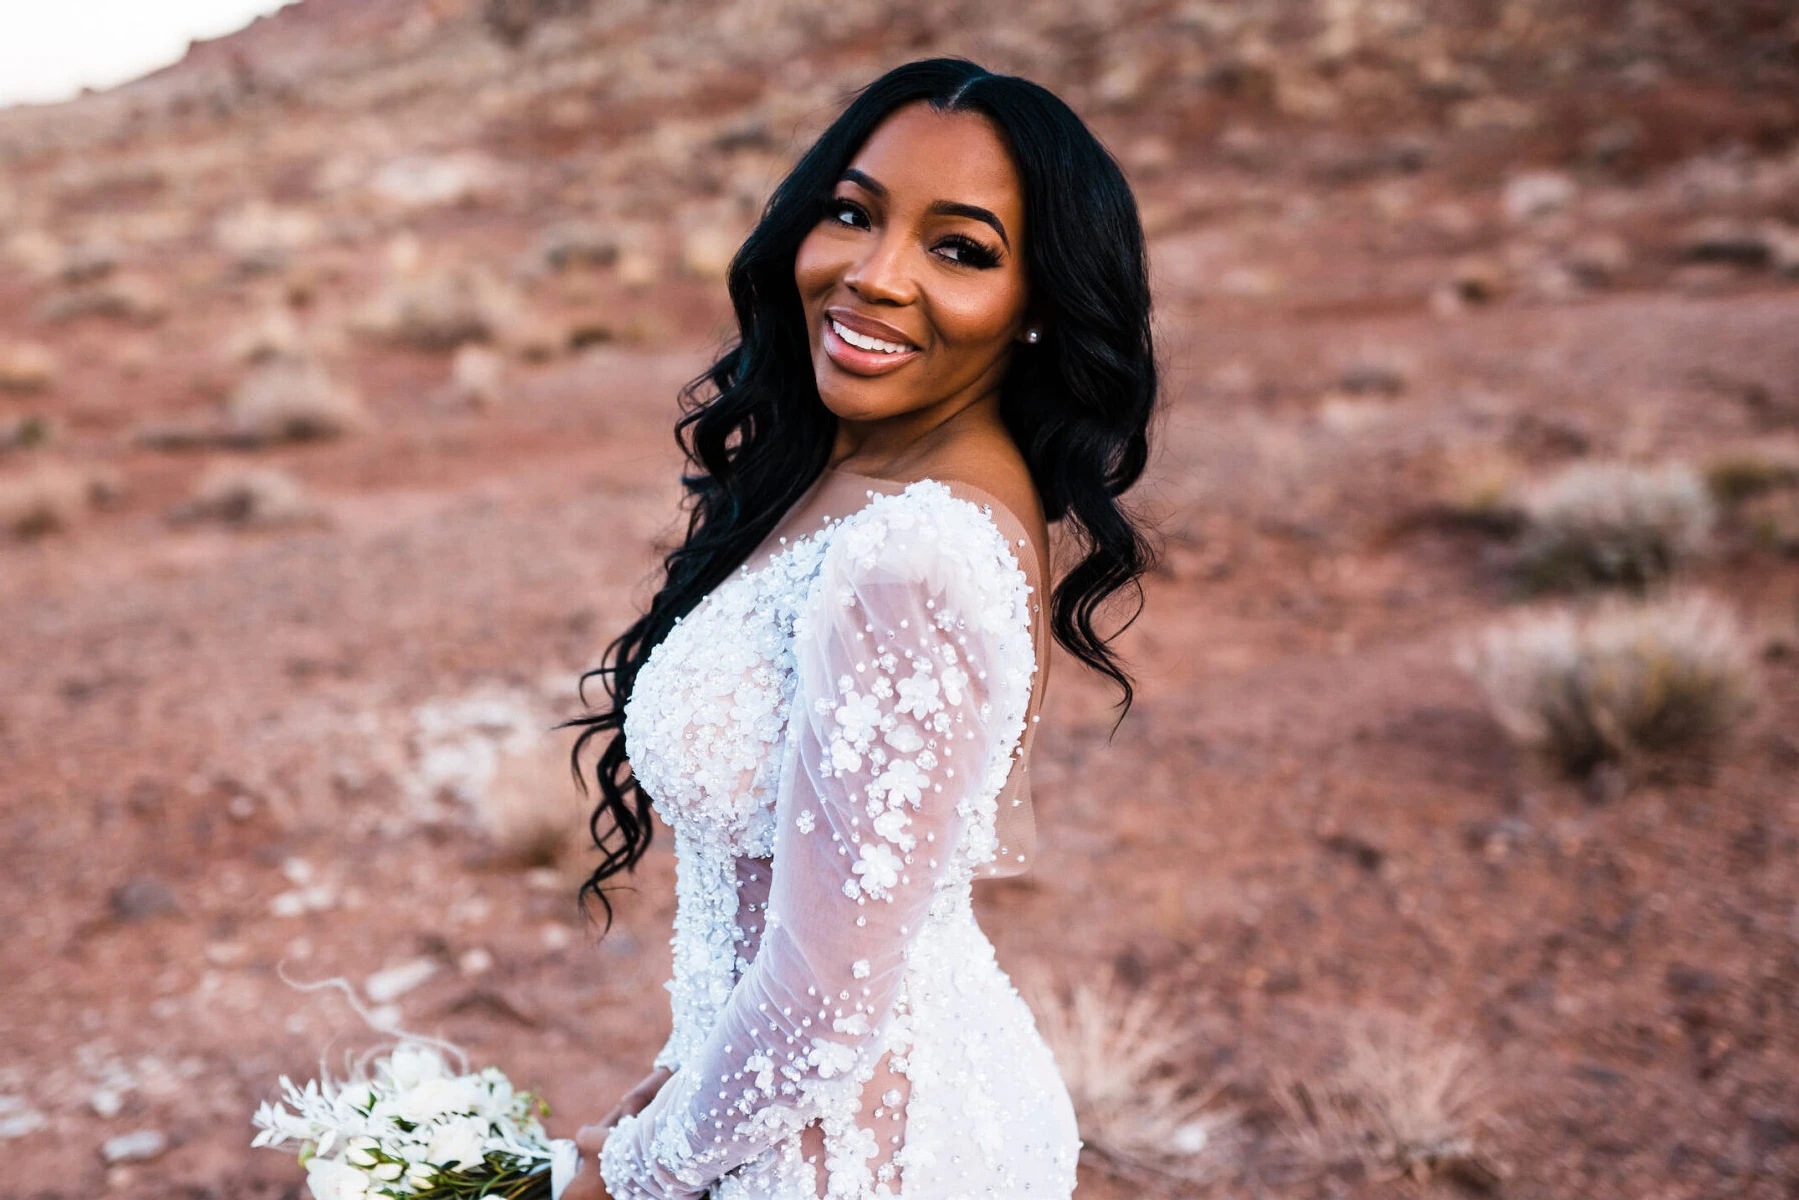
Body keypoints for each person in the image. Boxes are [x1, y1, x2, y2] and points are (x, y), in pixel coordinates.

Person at [557, 56, 1157, 1200]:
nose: (874, 276)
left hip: (863, 1159)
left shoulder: (911, 556)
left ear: (1037, 307)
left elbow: (825, 1002)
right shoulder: (857, 477)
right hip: (767, 1112)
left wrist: (627, 1172)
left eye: (960, 249)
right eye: (851, 213)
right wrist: (683, 1091)